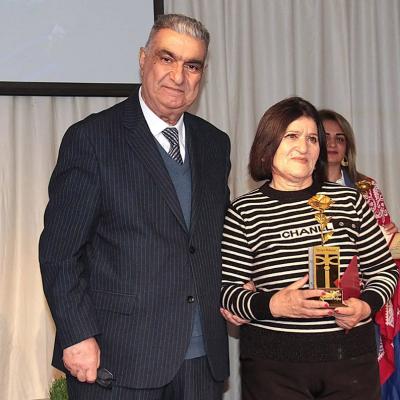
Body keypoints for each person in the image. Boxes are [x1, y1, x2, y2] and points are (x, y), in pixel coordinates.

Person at [39, 14, 231, 400]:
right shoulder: (92, 139)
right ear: (143, 59)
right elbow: (60, 253)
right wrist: (77, 335)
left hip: (201, 364)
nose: (178, 76)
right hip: (117, 360)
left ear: (202, 74)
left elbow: (214, 239)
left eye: (192, 65)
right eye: (167, 58)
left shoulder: (214, 143)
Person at [220, 97, 398, 399]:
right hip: (272, 368)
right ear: (268, 144)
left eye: (312, 138)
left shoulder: (350, 200)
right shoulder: (243, 211)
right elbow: (228, 293)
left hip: (351, 361)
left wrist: (366, 306)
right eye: (292, 136)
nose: (304, 147)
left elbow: (383, 271)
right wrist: (275, 304)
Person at [320, 108, 400, 399]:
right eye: (325, 137)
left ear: (347, 147)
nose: (332, 143)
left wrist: (389, 238)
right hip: (319, 300)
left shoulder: (366, 187)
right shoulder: (301, 188)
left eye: (340, 138)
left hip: (365, 300)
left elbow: (388, 240)